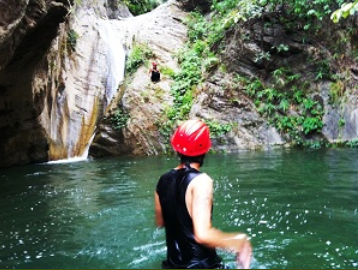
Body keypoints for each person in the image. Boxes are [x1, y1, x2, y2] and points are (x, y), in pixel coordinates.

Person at [154, 119, 252, 269]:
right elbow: (203, 234)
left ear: (177, 148)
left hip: (172, 265)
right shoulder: (201, 181)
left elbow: (161, 222)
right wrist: (238, 241)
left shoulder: (162, 181)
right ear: (205, 150)